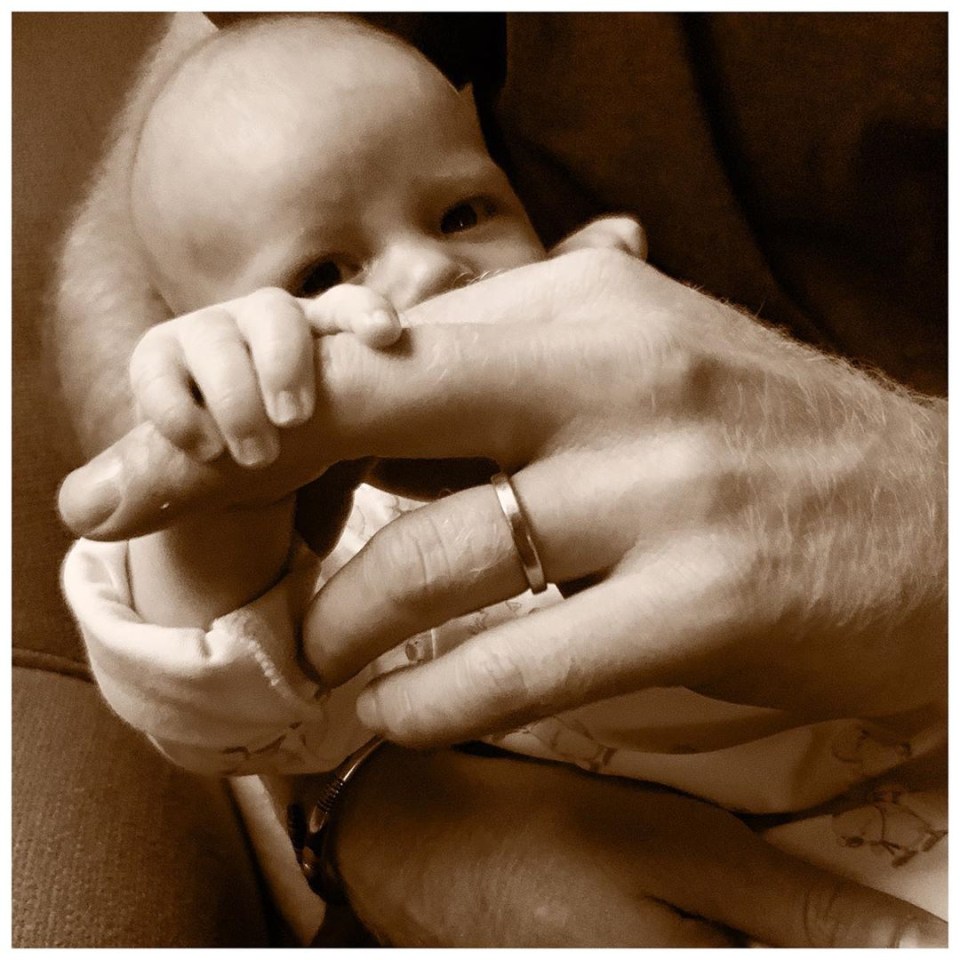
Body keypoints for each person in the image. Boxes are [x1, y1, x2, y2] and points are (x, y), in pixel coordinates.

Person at [54, 12, 946, 948]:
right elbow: (222, 711)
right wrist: (221, 496)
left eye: (463, 213)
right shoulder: (320, 525)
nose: (433, 269)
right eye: (322, 273)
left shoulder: (626, 351)